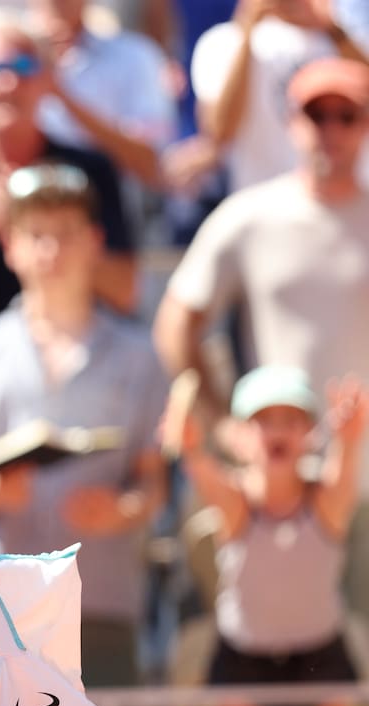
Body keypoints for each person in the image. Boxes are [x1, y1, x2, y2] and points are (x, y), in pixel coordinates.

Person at [153, 57, 369, 616]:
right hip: (282, 491)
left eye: (347, 115)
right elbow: (177, 323)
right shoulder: (250, 216)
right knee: (285, 671)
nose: (332, 128)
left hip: (364, 483)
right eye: (317, 114)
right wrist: (222, 424)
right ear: (291, 122)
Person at [0, 163, 168, 689]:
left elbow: (152, 480)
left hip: (100, 595)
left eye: (66, 235)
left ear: (94, 243)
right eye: (36, 236)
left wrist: (123, 510)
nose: (51, 251)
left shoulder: (140, 359)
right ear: (12, 247)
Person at [169, 365, 366, 706]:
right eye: (264, 421)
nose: (277, 431)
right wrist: (187, 439)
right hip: (244, 666)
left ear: (309, 433)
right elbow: (196, 461)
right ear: (240, 434)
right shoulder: (235, 503)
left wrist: (350, 437)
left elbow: (346, 460)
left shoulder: (328, 498)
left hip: (321, 665)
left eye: (291, 419)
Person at [0, 11, 137, 324]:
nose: (10, 83)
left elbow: (125, 291)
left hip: (83, 359)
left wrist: (24, 221)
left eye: (24, 66)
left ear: (48, 79)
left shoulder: (89, 170)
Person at [191, 0, 369, 193]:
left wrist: (331, 29)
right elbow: (218, 133)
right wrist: (248, 29)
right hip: (263, 203)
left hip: (349, 204)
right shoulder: (223, 41)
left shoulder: (347, 36)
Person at [29, 0, 177, 186]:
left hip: (109, 206)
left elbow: (150, 163)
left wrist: (59, 93)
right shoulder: (2, 57)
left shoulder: (136, 57)